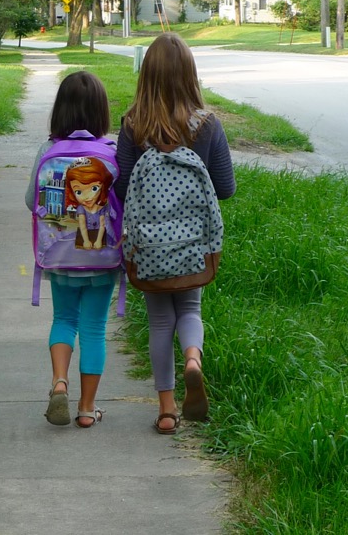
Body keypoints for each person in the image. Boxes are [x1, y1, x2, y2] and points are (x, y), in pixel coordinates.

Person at [114, 33, 236, 436]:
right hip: (193, 244)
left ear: (145, 75)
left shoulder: (132, 124)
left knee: (158, 322)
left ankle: (167, 411)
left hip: (149, 244)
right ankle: (193, 360)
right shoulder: (207, 124)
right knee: (190, 310)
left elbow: (123, 186)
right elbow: (225, 188)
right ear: (190, 75)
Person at [28, 71, 119, 428]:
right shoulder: (111, 153)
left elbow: (28, 200)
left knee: (63, 320)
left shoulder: (47, 150)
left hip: (60, 257)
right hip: (102, 260)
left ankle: (59, 382)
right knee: (94, 328)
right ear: (101, 112)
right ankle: (86, 408)